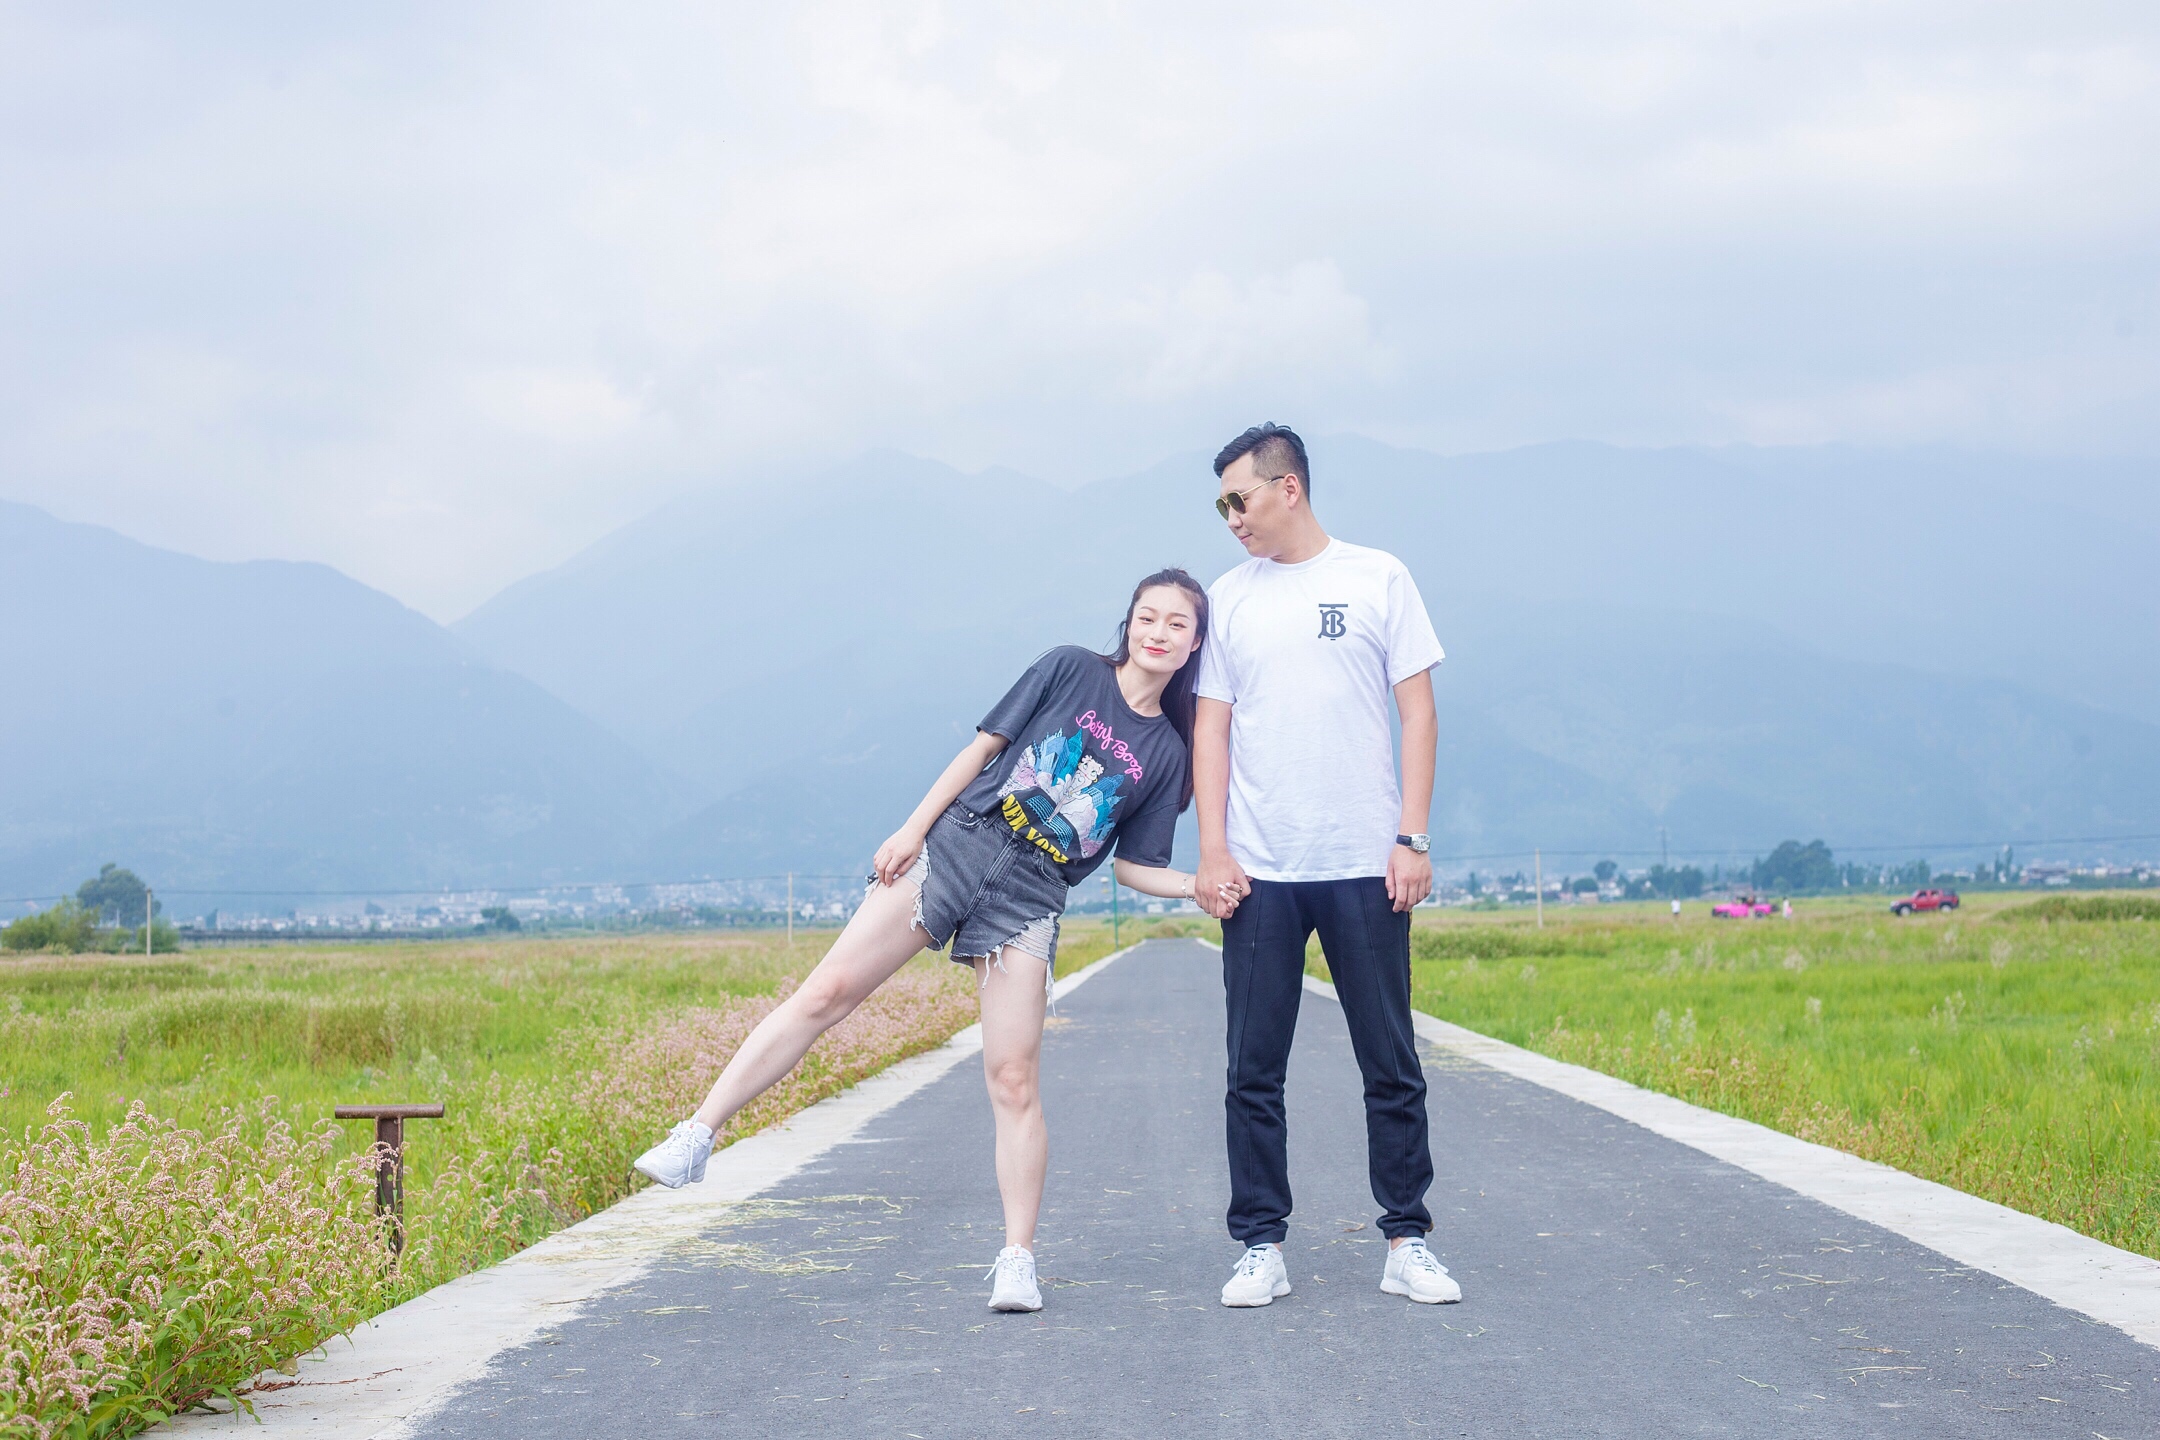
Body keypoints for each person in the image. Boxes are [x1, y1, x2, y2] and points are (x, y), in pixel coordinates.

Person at [632, 569, 1235, 1313]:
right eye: (1148, 616)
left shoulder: (1169, 752)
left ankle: (1017, 1259)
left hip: (1030, 897)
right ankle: (697, 1134)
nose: (1159, 632)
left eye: (1177, 624)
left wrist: (1197, 887)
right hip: (955, 846)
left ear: (1195, 644)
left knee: (1012, 1080)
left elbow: (1135, 866)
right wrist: (911, 828)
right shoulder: (1070, 667)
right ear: (1129, 622)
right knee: (827, 992)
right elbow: (982, 751)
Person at [1192, 423, 1461, 1308]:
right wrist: (1214, 849)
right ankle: (1260, 1245)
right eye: (1222, 505)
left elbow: (1418, 713)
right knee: (1251, 1071)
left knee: (1390, 1061)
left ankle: (1407, 1240)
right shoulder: (1230, 597)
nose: (1232, 517)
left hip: (1364, 865)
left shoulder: (1378, 577)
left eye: (1240, 499)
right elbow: (1211, 729)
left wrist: (1412, 837)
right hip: (1260, 871)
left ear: (1289, 488)